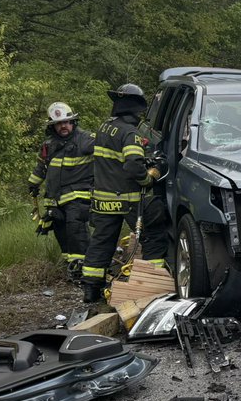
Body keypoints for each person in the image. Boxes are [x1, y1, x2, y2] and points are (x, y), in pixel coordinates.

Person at [81, 84, 168, 303]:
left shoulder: (104, 127)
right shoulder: (131, 133)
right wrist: (148, 178)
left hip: (103, 199)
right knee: (154, 234)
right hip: (127, 200)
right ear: (137, 110)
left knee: (101, 243)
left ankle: (91, 291)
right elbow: (132, 167)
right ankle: (151, 286)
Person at [27, 102, 94, 282]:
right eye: (59, 123)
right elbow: (42, 167)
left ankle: (85, 270)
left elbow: (107, 153)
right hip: (55, 200)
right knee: (62, 234)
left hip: (79, 198)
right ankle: (72, 268)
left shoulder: (86, 139)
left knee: (76, 231)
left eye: (67, 122)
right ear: (53, 126)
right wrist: (32, 184)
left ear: (73, 122)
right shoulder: (49, 145)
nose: (63, 126)